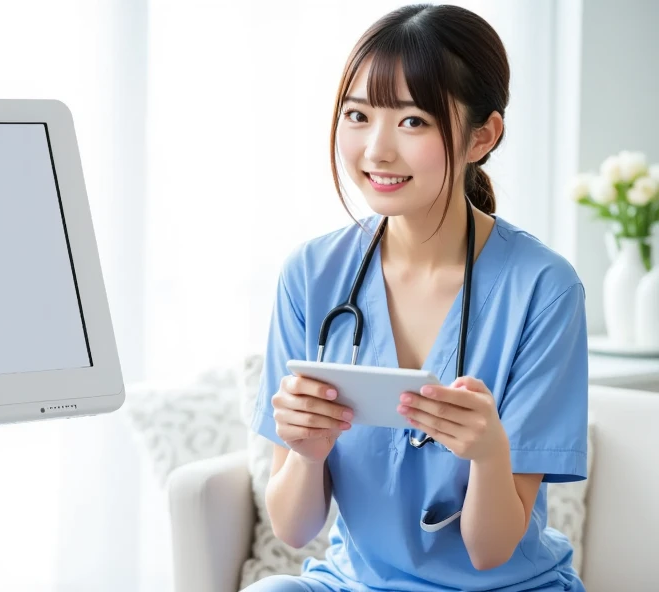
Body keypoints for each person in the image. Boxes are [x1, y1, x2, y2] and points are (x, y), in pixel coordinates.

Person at [246, 4, 589, 592]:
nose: (376, 150)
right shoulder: (312, 274)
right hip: (355, 582)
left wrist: (488, 454)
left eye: (412, 122)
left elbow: (490, 551)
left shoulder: (543, 289)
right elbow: (293, 528)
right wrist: (306, 452)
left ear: (482, 135)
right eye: (358, 115)